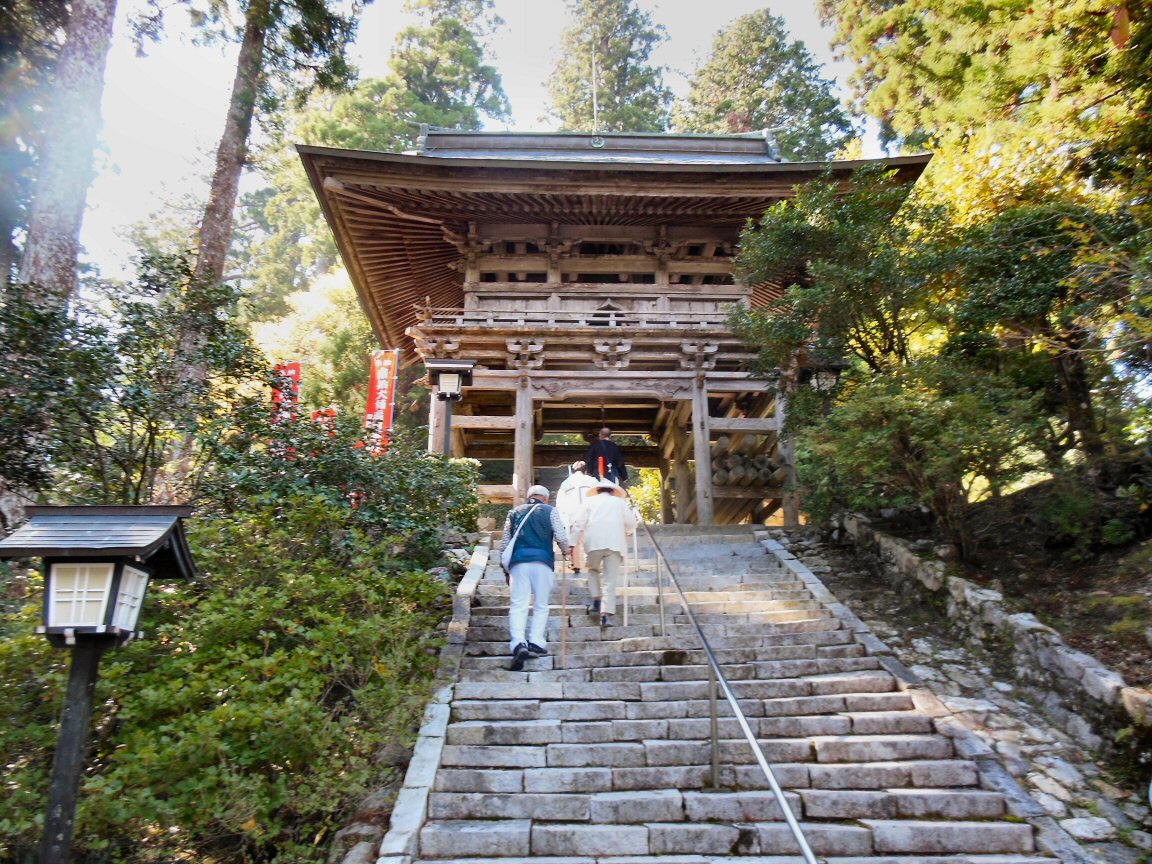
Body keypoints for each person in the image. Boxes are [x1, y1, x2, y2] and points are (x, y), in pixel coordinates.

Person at [501, 485, 570, 671]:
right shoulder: (550, 511)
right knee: (541, 604)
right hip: (542, 561)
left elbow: (505, 543)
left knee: (518, 604)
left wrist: (505, 570)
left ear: (529, 496)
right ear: (545, 498)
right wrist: (566, 552)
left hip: (518, 562)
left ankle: (518, 644)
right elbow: (561, 536)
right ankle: (536, 642)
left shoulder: (514, 513)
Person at [573, 478, 636, 627]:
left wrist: (571, 542)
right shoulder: (620, 503)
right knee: (610, 580)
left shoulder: (589, 502)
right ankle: (605, 614)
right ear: (613, 491)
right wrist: (627, 531)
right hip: (615, 544)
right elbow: (631, 523)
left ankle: (596, 598)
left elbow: (578, 523)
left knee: (593, 570)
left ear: (597, 490)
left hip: (593, 542)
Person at [555, 461, 596, 574]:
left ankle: (576, 565)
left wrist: (562, 517)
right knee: (589, 538)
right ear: (586, 470)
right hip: (589, 513)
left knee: (574, 541)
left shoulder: (566, 483)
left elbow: (560, 502)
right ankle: (590, 562)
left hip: (572, 514)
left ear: (573, 470)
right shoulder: (592, 481)